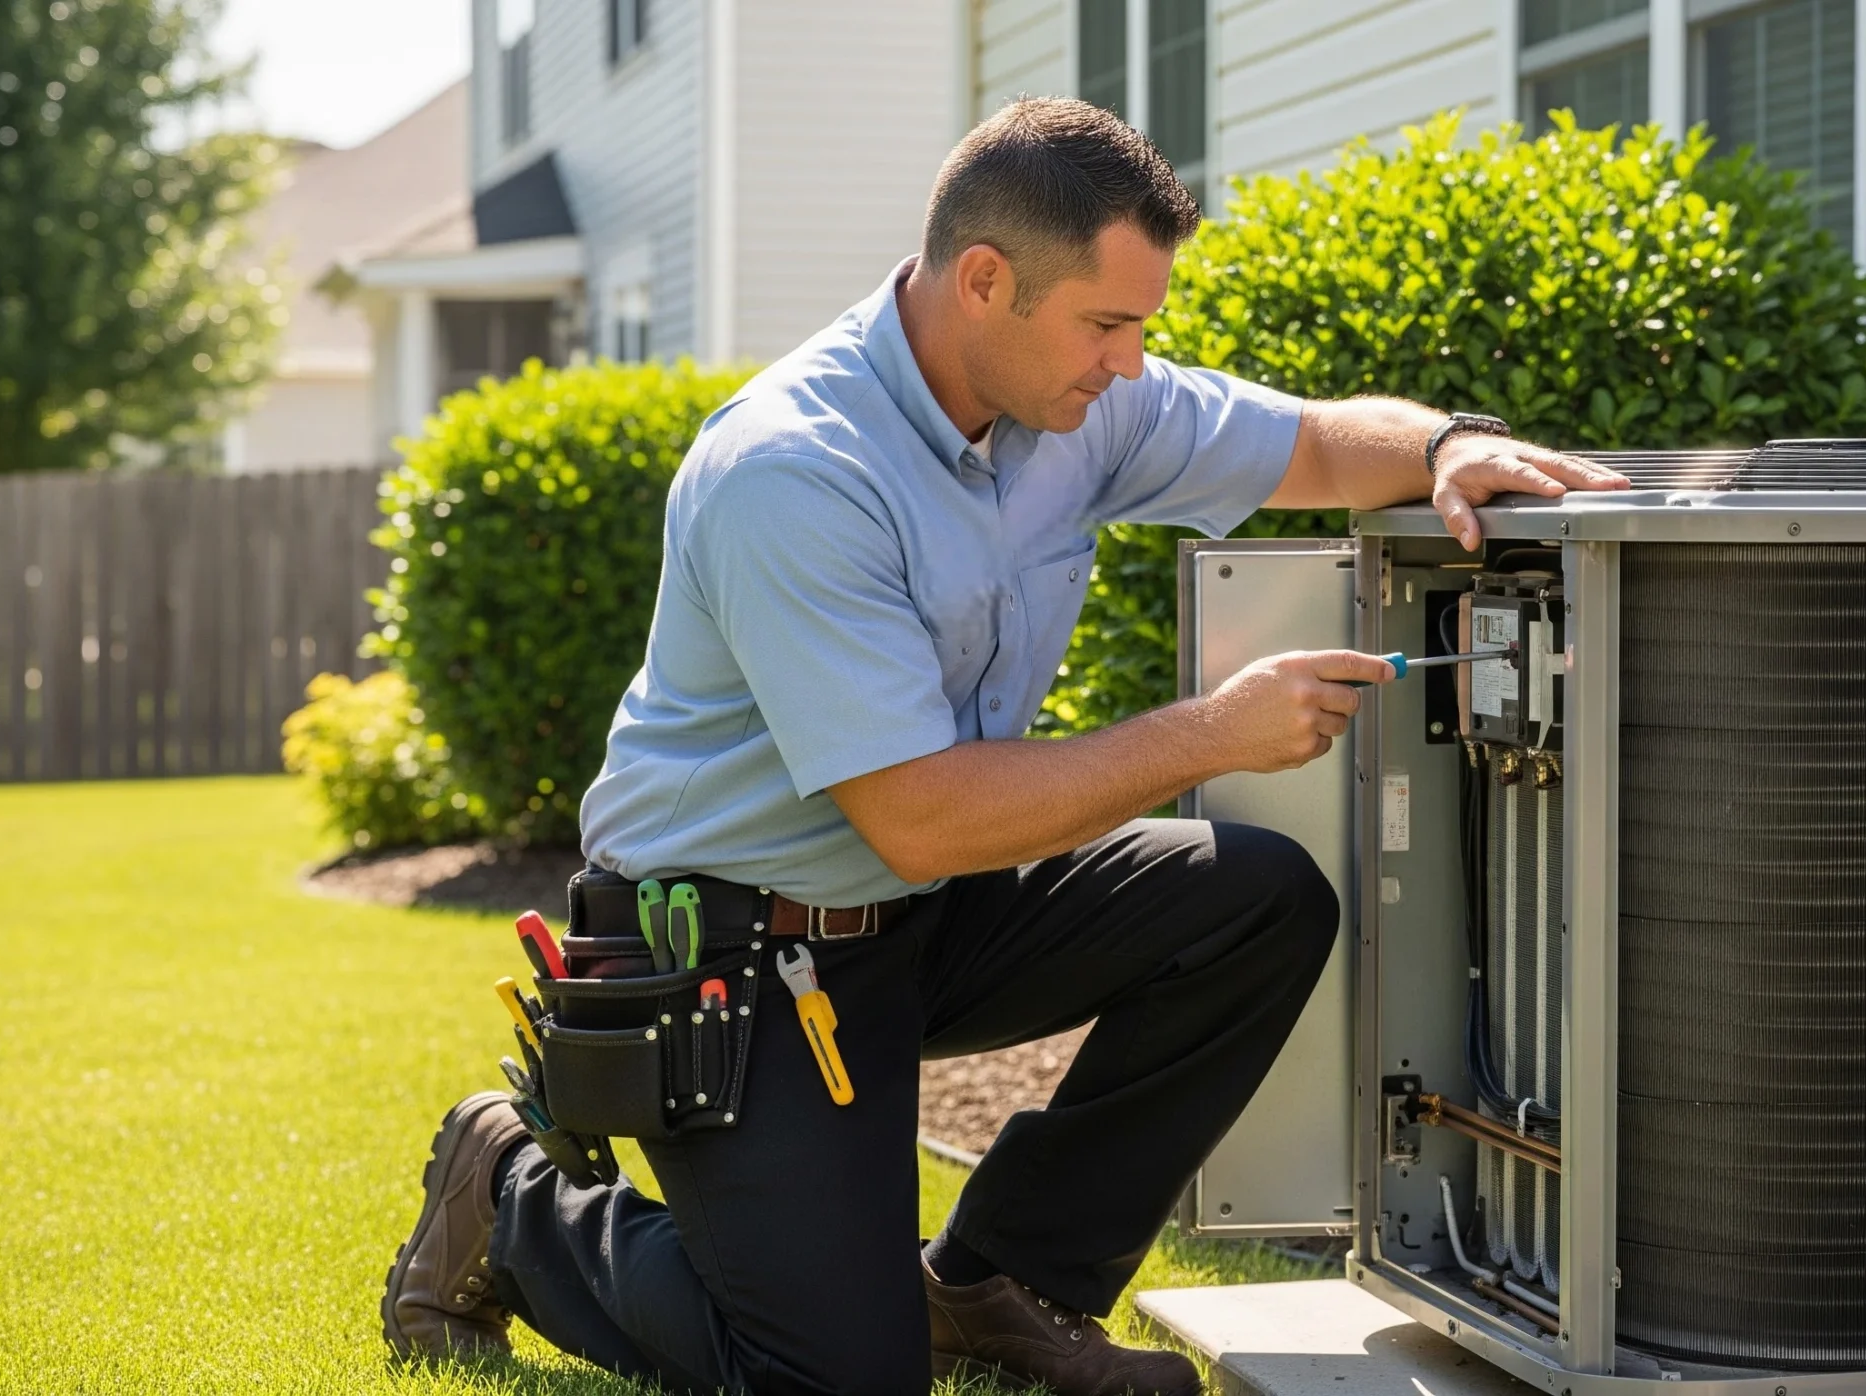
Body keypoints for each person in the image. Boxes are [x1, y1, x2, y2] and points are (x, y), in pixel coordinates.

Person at [379, 96, 1625, 1395]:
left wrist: (1447, 443)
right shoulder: (795, 473)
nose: (1133, 362)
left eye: (1142, 324)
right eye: (1108, 323)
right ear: (983, 281)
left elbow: (1306, 439)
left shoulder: (1075, 412)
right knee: (836, 1381)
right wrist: (1215, 731)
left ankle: (996, 1286)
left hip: (921, 905)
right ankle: (515, 1199)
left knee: (1251, 903)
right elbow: (917, 813)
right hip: (738, 951)